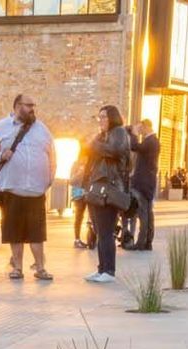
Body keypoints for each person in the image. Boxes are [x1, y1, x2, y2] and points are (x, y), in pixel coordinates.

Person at [0, 92, 56, 282]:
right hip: (12, 190)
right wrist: (1, 156)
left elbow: (52, 155)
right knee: (14, 232)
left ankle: (40, 268)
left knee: (37, 233)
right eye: (28, 105)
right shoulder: (0, 128)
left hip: (35, 191)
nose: (32, 109)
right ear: (17, 106)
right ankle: (17, 268)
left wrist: (49, 178)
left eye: (33, 105)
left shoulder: (42, 129)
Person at [80, 103, 133, 283]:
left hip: (110, 189)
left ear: (112, 118)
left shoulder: (119, 132)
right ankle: (101, 269)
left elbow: (115, 151)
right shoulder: (102, 136)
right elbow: (87, 151)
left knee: (106, 231)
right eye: (99, 117)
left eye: (104, 117)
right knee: (99, 230)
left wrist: (95, 143)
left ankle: (109, 271)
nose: (101, 120)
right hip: (97, 188)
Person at [122, 118, 159, 250]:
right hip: (146, 183)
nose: (140, 130)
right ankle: (147, 242)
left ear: (146, 126)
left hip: (144, 184)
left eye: (141, 127)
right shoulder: (151, 141)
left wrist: (133, 134)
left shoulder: (151, 141)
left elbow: (135, 147)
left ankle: (142, 243)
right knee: (147, 214)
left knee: (144, 214)